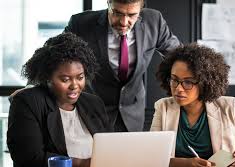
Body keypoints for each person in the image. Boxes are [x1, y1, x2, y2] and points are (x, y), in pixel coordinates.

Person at [64, 0, 180, 132]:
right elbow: (57, 58)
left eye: (132, 15)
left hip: (133, 112)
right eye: (117, 13)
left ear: (141, 9)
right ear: (108, 3)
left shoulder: (154, 21)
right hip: (92, 111)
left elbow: (179, 56)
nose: (124, 22)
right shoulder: (80, 23)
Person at [7, 33, 113, 167]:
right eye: (65, 79)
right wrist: (82, 164)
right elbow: (29, 158)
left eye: (80, 77)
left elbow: (109, 150)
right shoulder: (28, 102)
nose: (75, 85)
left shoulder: (93, 103)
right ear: (47, 77)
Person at [151, 43, 235, 167]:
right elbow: (152, 158)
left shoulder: (230, 106)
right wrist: (180, 164)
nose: (179, 88)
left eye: (188, 82)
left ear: (204, 84)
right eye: (174, 80)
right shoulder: (163, 107)